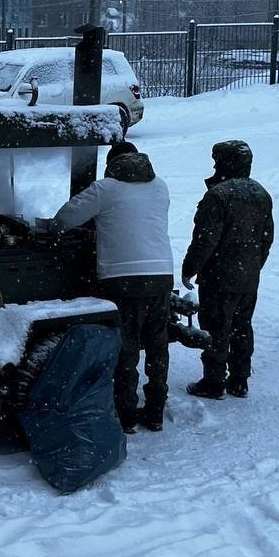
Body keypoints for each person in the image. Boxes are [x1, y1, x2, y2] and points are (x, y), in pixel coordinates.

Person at [54, 147, 173, 433]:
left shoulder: (105, 188)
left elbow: (66, 217)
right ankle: (156, 410)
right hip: (160, 273)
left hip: (122, 277)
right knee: (158, 345)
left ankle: (126, 413)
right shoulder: (160, 185)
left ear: (112, 165)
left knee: (126, 347)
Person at [181, 140, 273, 399]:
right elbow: (267, 238)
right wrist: (254, 265)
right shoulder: (260, 193)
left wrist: (190, 268)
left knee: (216, 328)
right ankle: (240, 379)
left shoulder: (218, 195)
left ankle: (213, 381)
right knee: (242, 326)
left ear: (224, 164)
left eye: (216, 161)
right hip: (248, 276)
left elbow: (205, 239)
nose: (213, 165)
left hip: (219, 276)